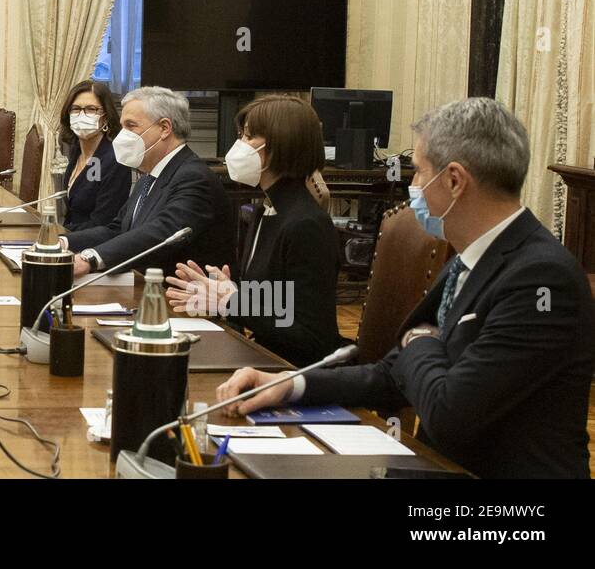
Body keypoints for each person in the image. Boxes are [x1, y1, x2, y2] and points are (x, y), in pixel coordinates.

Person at [214, 98, 595, 479]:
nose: (413, 186)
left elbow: (449, 413)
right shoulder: (470, 258)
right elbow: (391, 375)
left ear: (454, 180)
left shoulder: (541, 279)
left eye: (418, 172)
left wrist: (420, 342)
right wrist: (289, 384)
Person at [166, 94, 343, 366]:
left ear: (280, 146)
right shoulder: (265, 210)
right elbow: (276, 302)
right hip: (261, 355)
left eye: (248, 137)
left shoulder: (307, 224)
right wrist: (224, 291)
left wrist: (230, 302)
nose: (239, 146)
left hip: (292, 372)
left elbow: (311, 337)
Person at [63, 86, 235, 276]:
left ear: (164, 128)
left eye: (131, 126)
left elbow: (161, 233)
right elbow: (119, 229)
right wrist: (62, 243)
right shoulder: (149, 175)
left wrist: (90, 259)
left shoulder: (193, 177)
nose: (122, 135)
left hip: (184, 298)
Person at [58, 80, 130, 232]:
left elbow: (103, 222)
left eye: (91, 109)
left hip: (93, 246)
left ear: (105, 116)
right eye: (76, 109)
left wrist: (60, 235)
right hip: (69, 240)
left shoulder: (114, 159)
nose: (82, 115)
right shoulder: (76, 150)